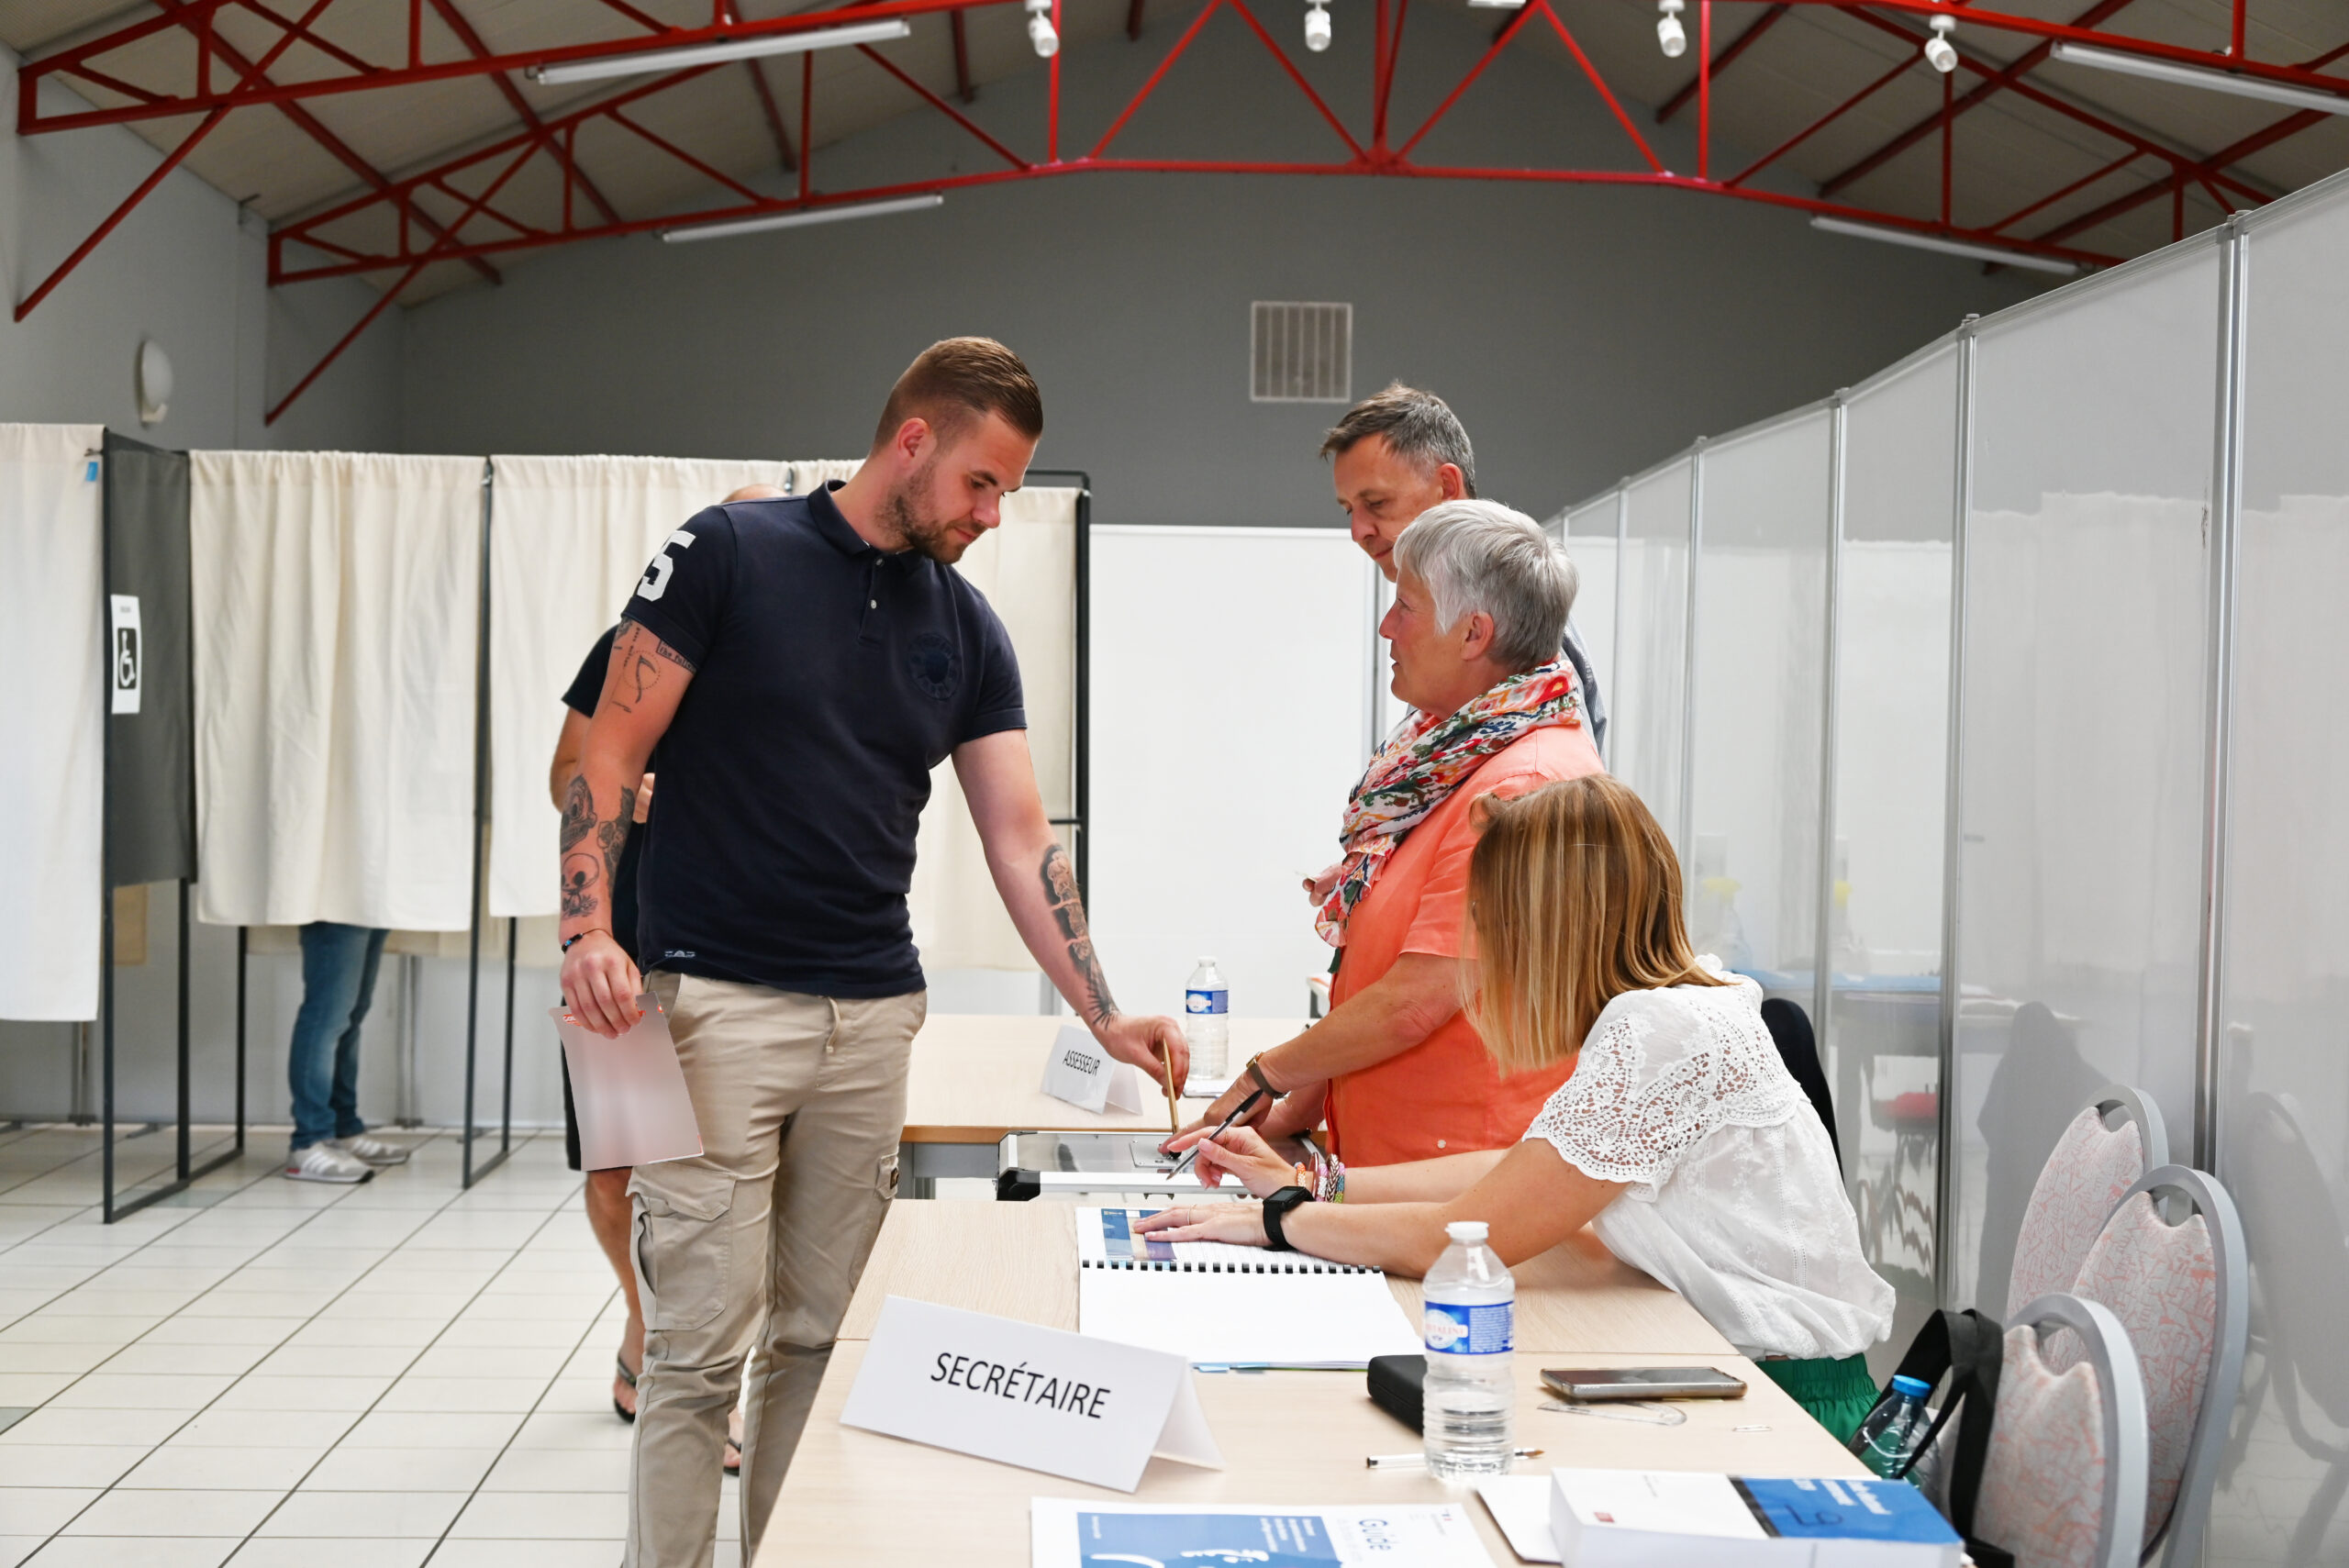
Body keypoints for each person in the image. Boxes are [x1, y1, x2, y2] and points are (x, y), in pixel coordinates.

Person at [557, 338, 1187, 1568]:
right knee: (697, 1347)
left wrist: (1105, 1013)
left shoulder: (967, 626)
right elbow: (605, 754)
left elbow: (1020, 842)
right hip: (713, 1004)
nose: (993, 515)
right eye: (982, 484)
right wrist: (586, 929)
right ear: (913, 442)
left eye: (1008, 491)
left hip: (872, 1018)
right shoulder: (729, 554)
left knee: (819, 1339)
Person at [1146, 773, 1896, 1438]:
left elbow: (1459, 1237)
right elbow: (1530, 1170)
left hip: (1785, 1408)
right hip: (1754, 1375)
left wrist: (1276, 1220)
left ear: (1547, 926)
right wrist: (1317, 1184)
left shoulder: (1662, 1032)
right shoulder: (1692, 998)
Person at [1176, 500, 1602, 1167]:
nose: (1386, 627)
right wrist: (1297, 1108)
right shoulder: (1448, 757)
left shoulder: (1524, 785)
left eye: (1405, 606)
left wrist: (1265, 1073)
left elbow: (1416, 1002)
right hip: (1393, 1166)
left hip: (1460, 1184)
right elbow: (1377, 969)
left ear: (1472, 633)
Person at [547, 484, 785, 1437]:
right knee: (616, 1168)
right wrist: (642, 793)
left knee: (735, 1172)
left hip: (754, 951)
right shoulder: (629, 645)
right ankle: (645, 1322)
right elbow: (568, 773)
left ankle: (721, 1370)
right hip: (629, 936)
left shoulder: (789, 653)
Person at [1324, 383, 1607, 753]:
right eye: (1349, 510)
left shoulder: (1519, 615)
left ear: (1446, 485)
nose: (1358, 531)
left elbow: (1552, 791)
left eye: (1377, 502)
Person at [281, 924, 410, 1182]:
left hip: (368, 898)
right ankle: (309, 1141)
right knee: (326, 1016)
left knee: (350, 1015)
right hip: (336, 900)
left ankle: (343, 1130)